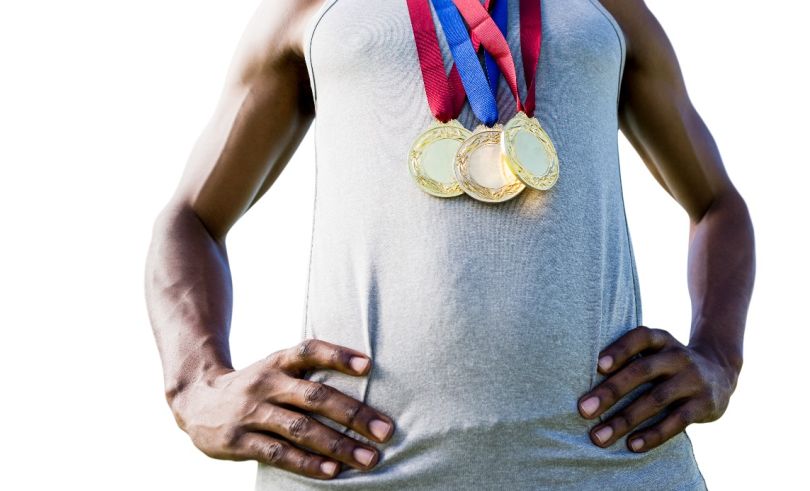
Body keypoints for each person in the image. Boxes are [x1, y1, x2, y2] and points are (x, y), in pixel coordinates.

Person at [144, 0, 755, 489]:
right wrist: (195, 385)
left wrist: (718, 357)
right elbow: (191, 218)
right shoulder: (312, 9)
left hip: (608, 466)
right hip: (356, 469)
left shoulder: (608, 10)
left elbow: (717, 204)